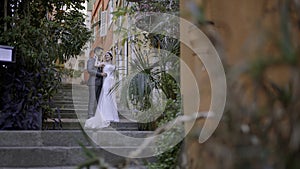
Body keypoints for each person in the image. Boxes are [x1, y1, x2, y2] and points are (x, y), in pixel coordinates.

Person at [85, 51, 119, 129]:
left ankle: (111, 114)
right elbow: (95, 65)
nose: (106, 57)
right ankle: (104, 114)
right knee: (105, 96)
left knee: (111, 98)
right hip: (106, 81)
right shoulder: (103, 63)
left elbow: (114, 74)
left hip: (111, 81)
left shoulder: (113, 65)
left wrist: (114, 81)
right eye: (105, 56)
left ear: (111, 57)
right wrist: (97, 61)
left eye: (108, 56)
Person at [87, 47, 106, 118]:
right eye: (101, 52)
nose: (102, 54)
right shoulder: (91, 60)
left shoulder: (100, 61)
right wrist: (100, 74)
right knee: (92, 99)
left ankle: (96, 115)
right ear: (96, 52)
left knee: (98, 100)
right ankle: (90, 116)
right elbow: (90, 70)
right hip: (93, 83)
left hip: (100, 83)